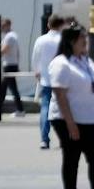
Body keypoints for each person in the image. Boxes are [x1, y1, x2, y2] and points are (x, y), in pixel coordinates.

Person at [48, 25, 94, 189]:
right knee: (72, 161)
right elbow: (60, 95)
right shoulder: (62, 63)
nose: (85, 42)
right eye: (82, 38)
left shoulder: (86, 61)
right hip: (68, 120)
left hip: (89, 119)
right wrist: (70, 123)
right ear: (71, 41)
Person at [31, 15, 65, 149]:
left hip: (46, 78)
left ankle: (44, 139)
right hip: (61, 79)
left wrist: (36, 71)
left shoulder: (41, 40)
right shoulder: (63, 39)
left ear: (48, 25)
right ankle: (64, 137)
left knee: (45, 108)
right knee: (63, 109)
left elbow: (35, 58)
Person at [0, 18, 24, 115]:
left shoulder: (9, 37)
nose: (1, 28)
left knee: (12, 88)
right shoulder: (13, 36)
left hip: (9, 65)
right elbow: (17, 52)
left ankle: (20, 109)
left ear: (8, 25)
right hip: (12, 64)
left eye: (3, 26)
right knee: (3, 88)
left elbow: (4, 50)